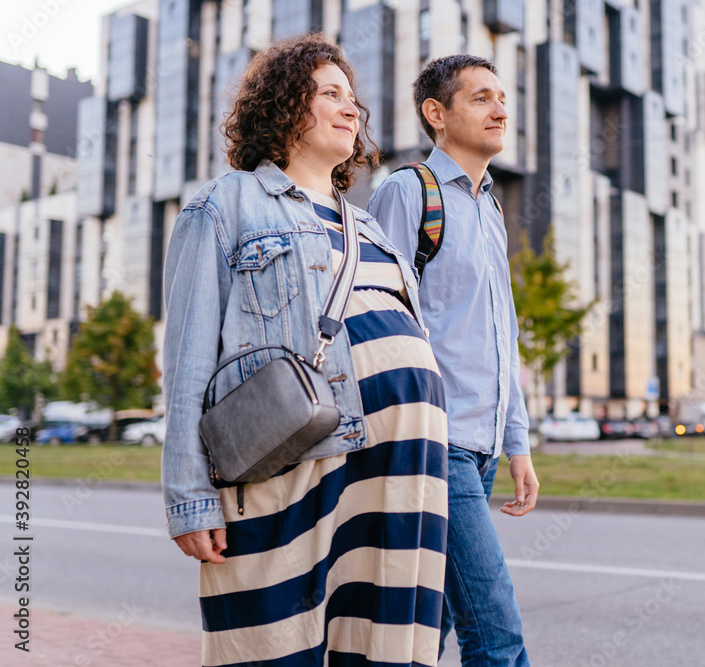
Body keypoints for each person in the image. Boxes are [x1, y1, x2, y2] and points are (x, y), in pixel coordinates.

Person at [161, 34, 447, 666]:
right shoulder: (224, 205)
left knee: (386, 646)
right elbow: (185, 363)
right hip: (294, 458)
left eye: (354, 99)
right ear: (287, 106)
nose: (352, 110)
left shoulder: (369, 224)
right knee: (270, 647)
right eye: (330, 94)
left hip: (403, 472)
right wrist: (189, 497)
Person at [368, 54, 538, 667]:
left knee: (422, 632)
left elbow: (502, 333)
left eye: (502, 97)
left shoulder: (490, 206)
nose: (501, 109)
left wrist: (515, 442)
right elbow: (381, 321)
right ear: (436, 114)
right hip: (435, 442)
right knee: (496, 632)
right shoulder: (407, 192)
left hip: (483, 445)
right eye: (481, 98)